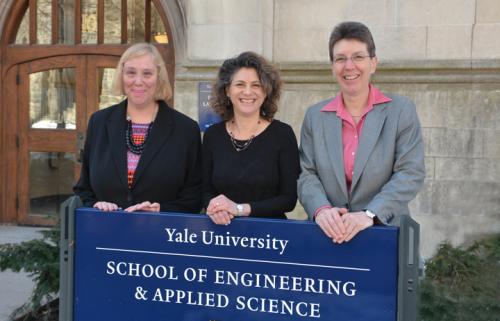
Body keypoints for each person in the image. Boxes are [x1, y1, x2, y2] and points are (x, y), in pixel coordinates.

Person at [298, 21, 425, 243]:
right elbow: (306, 173)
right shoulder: (314, 116)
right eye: (340, 59)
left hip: (385, 233)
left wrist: (369, 215)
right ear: (332, 66)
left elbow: (410, 172)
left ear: (373, 63)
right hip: (329, 234)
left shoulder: (401, 110)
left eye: (358, 57)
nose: (349, 66)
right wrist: (322, 210)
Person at [74, 43, 202, 213]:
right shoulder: (99, 122)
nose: (138, 81)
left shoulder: (186, 130)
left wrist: (161, 209)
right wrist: (96, 205)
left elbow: (195, 196)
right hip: (105, 232)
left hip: (161, 233)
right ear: (122, 76)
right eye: (131, 73)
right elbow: (84, 188)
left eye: (147, 73)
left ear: (159, 78)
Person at [203, 51, 300, 225]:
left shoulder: (282, 135)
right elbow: (203, 190)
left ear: (266, 91)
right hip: (220, 235)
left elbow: (289, 199)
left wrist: (239, 209)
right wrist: (214, 206)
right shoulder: (213, 136)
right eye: (240, 84)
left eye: (256, 85)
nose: (248, 92)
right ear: (227, 90)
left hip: (269, 240)